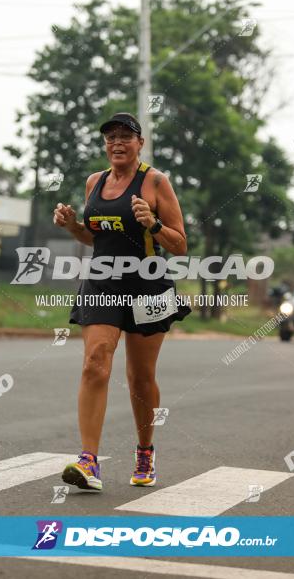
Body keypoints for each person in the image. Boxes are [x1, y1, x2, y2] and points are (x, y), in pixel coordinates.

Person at [53, 112, 191, 492]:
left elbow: (180, 244)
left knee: (140, 377)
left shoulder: (156, 182)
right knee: (95, 362)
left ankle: (145, 451)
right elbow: (93, 239)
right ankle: (88, 461)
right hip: (102, 281)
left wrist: (154, 224)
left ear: (139, 143)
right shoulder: (94, 183)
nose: (117, 143)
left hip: (148, 283)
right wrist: (71, 226)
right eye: (110, 137)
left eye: (125, 137)